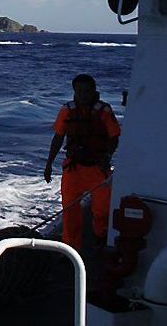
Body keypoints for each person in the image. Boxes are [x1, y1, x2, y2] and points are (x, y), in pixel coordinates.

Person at [44, 74, 121, 251]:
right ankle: (70, 249)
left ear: (94, 91)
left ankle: (101, 237)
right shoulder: (67, 111)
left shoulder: (104, 111)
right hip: (74, 168)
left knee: (102, 210)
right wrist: (49, 164)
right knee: (70, 211)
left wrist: (107, 157)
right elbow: (58, 138)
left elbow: (114, 137)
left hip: (97, 168)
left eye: (86, 91)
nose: (82, 94)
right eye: (78, 91)